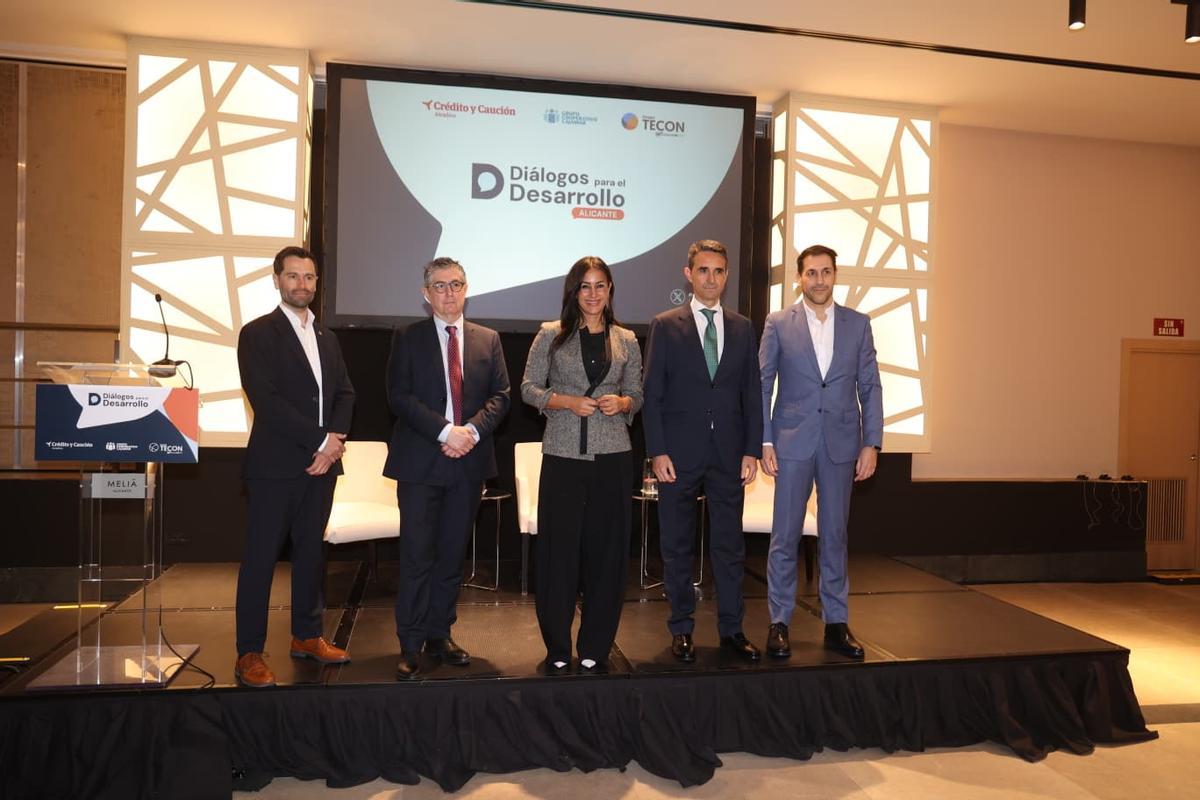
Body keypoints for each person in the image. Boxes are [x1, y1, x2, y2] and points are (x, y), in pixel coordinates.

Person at [234, 245, 356, 688]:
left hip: (322, 467)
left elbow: (346, 393)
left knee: (311, 555)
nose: (301, 284)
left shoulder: (328, 337)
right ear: (277, 279)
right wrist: (320, 439)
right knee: (261, 561)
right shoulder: (257, 334)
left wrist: (333, 444)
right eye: (293, 276)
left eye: (309, 277)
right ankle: (248, 651)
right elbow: (267, 402)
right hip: (274, 467)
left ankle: (306, 635)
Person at [384, 257, 510, 680]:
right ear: (426, 294)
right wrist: (445, 432)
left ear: (466, 288)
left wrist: (470, 432)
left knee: (452, 556)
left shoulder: (487, 339)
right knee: (418, 556)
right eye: (440, 286)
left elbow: (501, 396)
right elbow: (398, 397)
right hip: (421, 463)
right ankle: (410, 642)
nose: (449, 293)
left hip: (469, 464)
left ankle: (440, 634)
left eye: (456, 284)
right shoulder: (407, 337)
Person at [759, 244, 883, 660]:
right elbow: (762, 384)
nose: (818, 280)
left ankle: (836, 622)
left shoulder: (859, 324)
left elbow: (870, 386)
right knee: (784, 536)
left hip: (842, 444)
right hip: (791, 442)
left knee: (835, 535)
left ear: (835, 274)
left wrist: (872, 442)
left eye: (825, 272)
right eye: (810, 273)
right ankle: (779, 622)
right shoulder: (778, 323)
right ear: (799, 278)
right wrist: (765, 440)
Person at [642, 240, 763, 663]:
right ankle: (682, 629)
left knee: (729, 546)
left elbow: (753, 392)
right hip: (678, 454)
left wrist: (751, 449)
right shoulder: (665, 324)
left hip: (729, 454)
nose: (712, 278)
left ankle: (732, 629)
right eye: (704, 270)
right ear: (688, 274)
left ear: (726, 276)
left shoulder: (744, 327)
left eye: (719, 271)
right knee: (676, 545)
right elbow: (651, 393)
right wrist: (657, 451)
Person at [521, 256, 643, 675]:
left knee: (608, 555)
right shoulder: (550, 336)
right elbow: (528, 388)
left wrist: (624, 403)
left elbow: (637, 393)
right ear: (574, 292)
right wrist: (566, 401)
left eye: (601, 286)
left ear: (610, 290)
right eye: (585, 286)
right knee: (559, 554)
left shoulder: (627, 338)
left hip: (613, 456)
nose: (593, 294)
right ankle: (557, 645)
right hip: (563, 455)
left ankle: (595, 644)